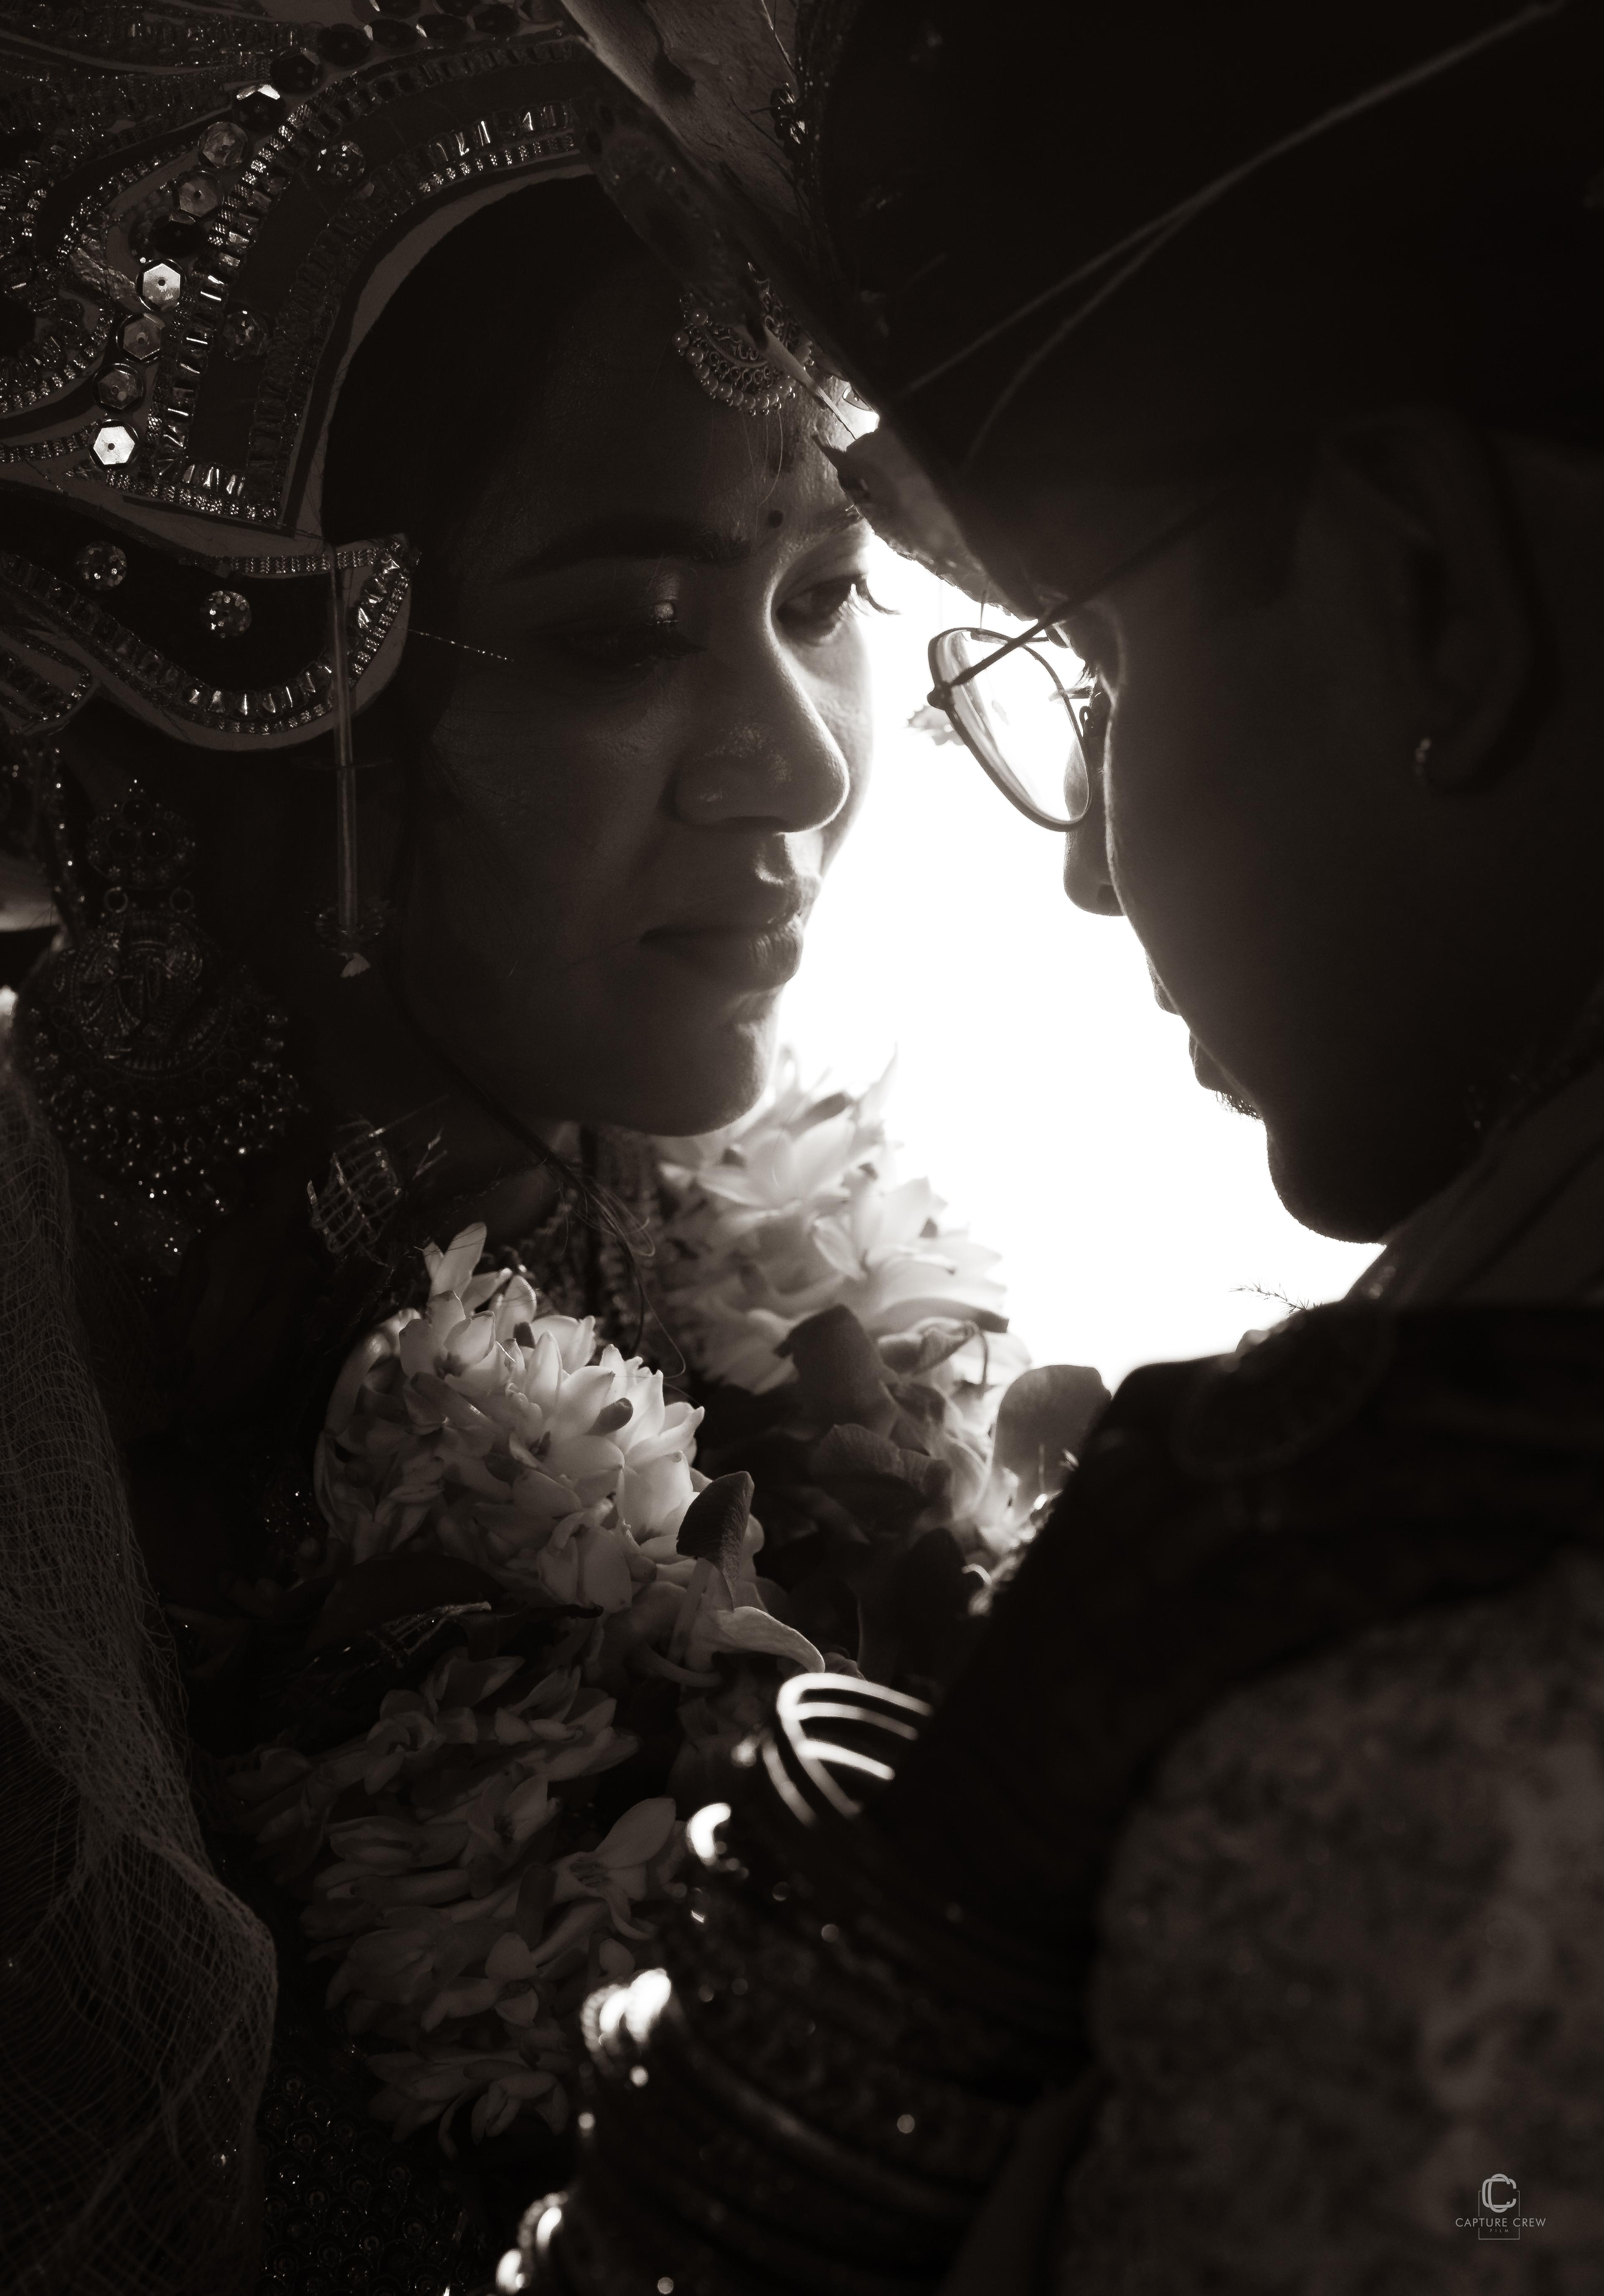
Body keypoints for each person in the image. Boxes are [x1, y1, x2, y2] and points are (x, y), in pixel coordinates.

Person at [517, 1, 1604, 2288]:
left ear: (1434, 590)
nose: (1097, 870)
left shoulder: (1406, 1765)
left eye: (1100, 668)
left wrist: (957, 1899)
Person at [0, 12, 940, 2293]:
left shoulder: (758, 1280)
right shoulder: (69, 1454)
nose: (799, 769)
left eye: (817, 593)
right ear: (260, 707)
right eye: (628, 627)